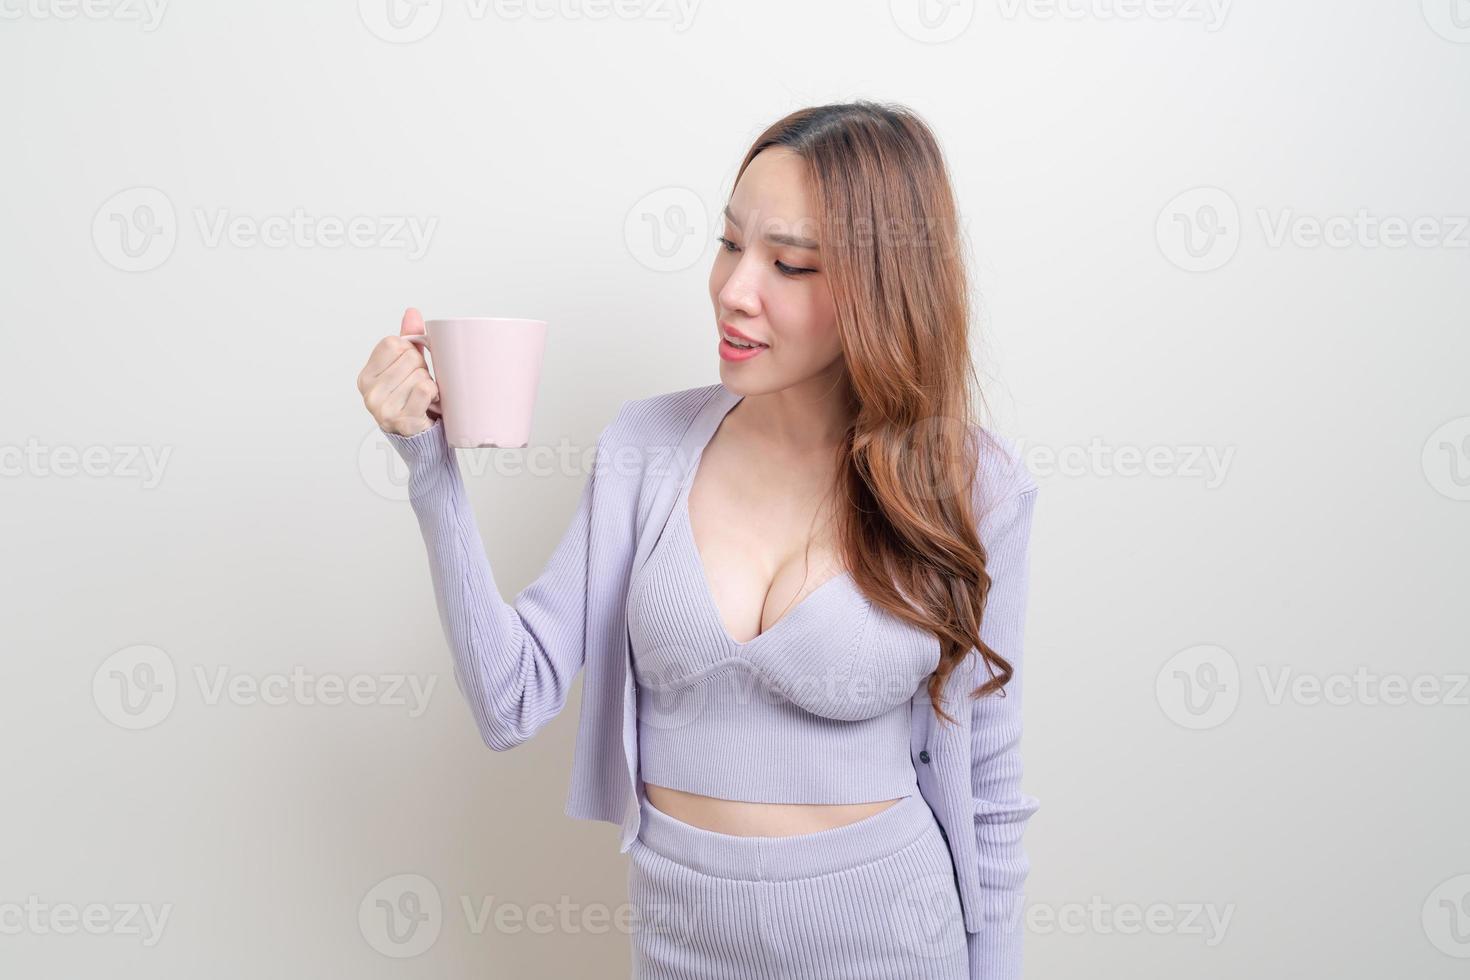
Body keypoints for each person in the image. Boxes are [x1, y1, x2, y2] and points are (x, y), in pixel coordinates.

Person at [356, 100, 1040, 980]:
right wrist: (430, 468)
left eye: (789, 263)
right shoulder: (644, 448)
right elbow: (508, 700)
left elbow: (990, 799)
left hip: (894, 942)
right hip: (683, 945)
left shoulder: (973, 484)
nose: (734, 289)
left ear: (883, 287)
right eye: (728, 244)